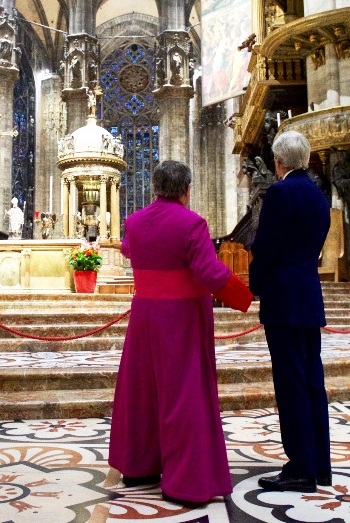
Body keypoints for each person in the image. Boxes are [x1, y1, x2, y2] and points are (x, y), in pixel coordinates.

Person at [109, 160, 252, 506]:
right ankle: (183, 482)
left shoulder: (135, 221)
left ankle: (139, 467)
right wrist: (245, 296)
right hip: (182, 319)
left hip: (144, 317)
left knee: (142, 392)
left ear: (155, 188)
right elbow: (208, 271)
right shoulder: (193, 223)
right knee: (184, 394)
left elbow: (128, 248)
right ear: (187, 190)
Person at [249, 130, 332, 493]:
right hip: (309, 295)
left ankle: (299, 467)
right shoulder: (318, 195)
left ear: (278, 162)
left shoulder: (280, 192)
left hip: (284, 298)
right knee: (313, 380)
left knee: (291, 383)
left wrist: (253, 284)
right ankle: (319, 464)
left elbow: (265, 247)